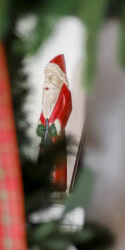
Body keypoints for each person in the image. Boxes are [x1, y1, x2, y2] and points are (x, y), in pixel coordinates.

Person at [37, 53, 72, 192]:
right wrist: (40, 122)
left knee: (56, 158)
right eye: (46, 77)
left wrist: (59, 121)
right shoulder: (47, 96)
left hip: (55, 132)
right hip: (45, 130)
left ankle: (57, 183)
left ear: (61, 79)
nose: (47, 82)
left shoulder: (64, 93)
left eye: (52, 77)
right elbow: (44, 111)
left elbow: (67, 108)